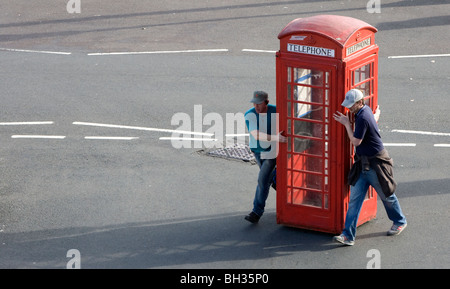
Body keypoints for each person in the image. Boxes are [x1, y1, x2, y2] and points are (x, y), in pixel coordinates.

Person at [332, 89, 407, 246]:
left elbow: (356, 142)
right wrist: (377, 115)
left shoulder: (363, 117)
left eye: (351, 105)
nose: (349, 108)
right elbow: (372, 119)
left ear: (360, 103)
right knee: (354, 200)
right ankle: (347, 235)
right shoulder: (364, 112)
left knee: (387, 196)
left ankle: (400, 221)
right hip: (362, 164)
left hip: (375, 165)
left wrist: (346, 124)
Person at [244, 91, 287, 223]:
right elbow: (256, 135)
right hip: (257, 151)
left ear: (266, 102)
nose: (256, 106)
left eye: (259, 103)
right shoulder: (249, 114)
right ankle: (278, 183)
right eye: (254, 103)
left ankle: (256, 212)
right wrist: (276, 138)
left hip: (271, 152)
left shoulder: (276, 110)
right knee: (268, 178)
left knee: (262, 180)